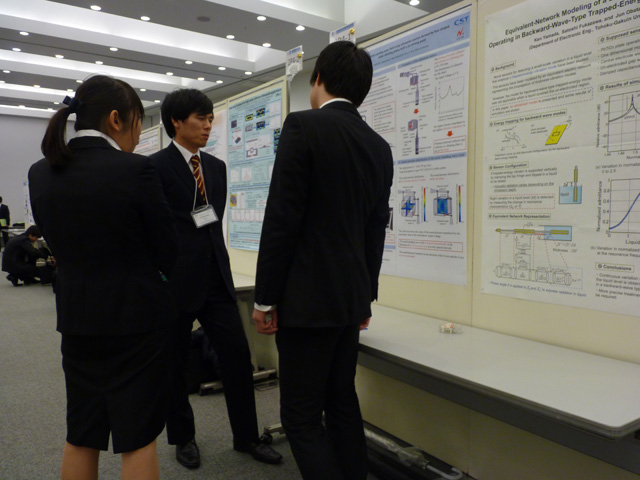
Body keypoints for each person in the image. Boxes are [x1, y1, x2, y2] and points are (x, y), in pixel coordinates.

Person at [252, 41, 393, 480]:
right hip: (349, 302)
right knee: (342, 401)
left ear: (318, 79)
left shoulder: (303, 127)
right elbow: (375, 231)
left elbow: (282, 220)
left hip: (305, 303)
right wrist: (365, 297)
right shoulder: (379, 146)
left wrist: (264, 298)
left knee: (300, 417)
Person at [28, 75, 178, 480]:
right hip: (137, 321)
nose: (138, 134)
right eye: (137, 123)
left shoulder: (40, 172)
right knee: (138, 437)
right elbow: (168, 249)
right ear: (116, 119)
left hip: (77, 316)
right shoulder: (137, 170)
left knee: (82, 432)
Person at [149, 89, 282, 469]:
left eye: (210, 119)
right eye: (200, 118)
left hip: (216, 281)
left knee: (238, 357)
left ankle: (246, 436)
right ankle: (183, 438)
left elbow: (211, 222)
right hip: (175, 283)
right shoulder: (154, 168)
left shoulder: (216, 167)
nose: (208, 125)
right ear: (176, 121)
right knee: (174, 365)